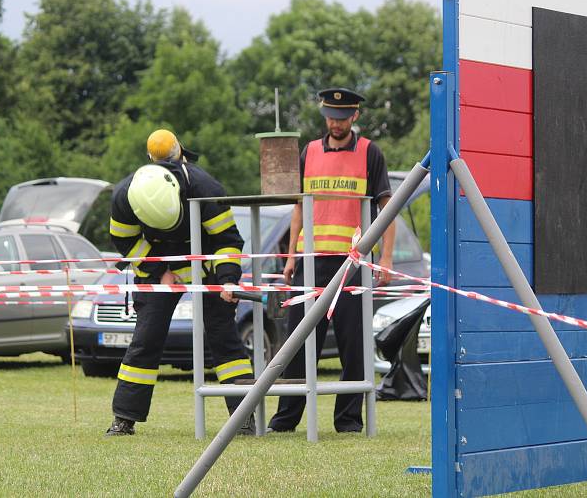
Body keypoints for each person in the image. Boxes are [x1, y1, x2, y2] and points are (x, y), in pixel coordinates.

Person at [267, 87, 396, 434]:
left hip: (351, 264)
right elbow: (299, 206)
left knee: (353, 344)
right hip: (310, 262)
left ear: (354, 117)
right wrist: (291, 257)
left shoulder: (370, 152)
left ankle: (349, 420)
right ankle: (285, 420)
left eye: (341, 118)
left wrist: (385, 257)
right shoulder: (308, 151)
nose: (335, 123)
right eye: (330, 117)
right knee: (297, 341)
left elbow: (388, 208)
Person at [105, 160, 253, 436]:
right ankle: (124, 419)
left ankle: (244, 417)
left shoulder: (207, 189)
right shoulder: (124, 196)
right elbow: (124, 240)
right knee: (146, 337)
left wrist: (228, 279)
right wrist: (158, 270)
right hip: (157, 262)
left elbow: (227, 239)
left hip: (208, 263)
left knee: (224, 336)